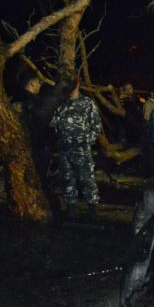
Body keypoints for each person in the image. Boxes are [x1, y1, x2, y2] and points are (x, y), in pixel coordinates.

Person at [49, 80, 102, 219]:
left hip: (81, 149)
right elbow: (53, 124)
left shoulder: (86, 103)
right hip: (64, 148)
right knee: (67, 179)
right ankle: (71, 208)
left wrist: (88, 141)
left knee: (86, 179)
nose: (70, 91)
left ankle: (93, 208)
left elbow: (96, 125)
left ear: (78, 86)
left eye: (72, 88)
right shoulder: (62, 104)